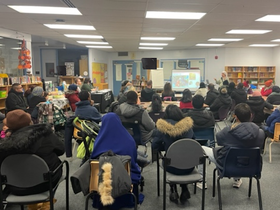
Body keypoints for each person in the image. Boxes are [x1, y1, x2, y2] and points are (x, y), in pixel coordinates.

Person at [0, 109, 65, 195]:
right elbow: (61, 150)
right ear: (29, 121)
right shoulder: (45, 134)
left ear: (8, 126)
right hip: (46, 183)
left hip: (15, 187)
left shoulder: (5, 145)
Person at [202, 103, 265, 188]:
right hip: (251, 167)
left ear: (235, 116)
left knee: (201, 149)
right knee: (243, 151)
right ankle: (237, 179)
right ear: (251, 115)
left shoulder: (228, 131)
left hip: (227, 165)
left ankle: (201, 180)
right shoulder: (260, 132)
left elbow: (219, 141)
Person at [90, 113, 141, 209]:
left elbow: (93, 160)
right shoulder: (129, 140)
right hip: (125, 180)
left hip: (103, 183)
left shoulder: (98, 142)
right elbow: (133, 160)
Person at [152, 104, 194, 203]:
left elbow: (154, 145)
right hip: (189, 165)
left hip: (171, 166)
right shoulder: (188, 127)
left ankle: (173, 190)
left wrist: (166, 147)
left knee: (169, 158)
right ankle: (184, 188)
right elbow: (194, 143)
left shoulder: (163, 128)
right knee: (181, 158)